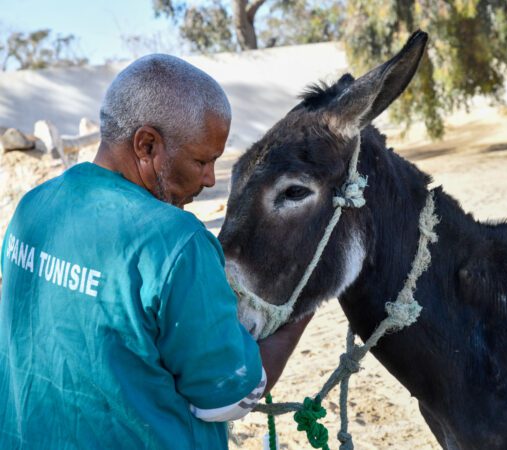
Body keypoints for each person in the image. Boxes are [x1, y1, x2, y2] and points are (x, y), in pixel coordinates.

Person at [0, 54, 311, 449]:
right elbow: (230, 396)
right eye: (202, 160)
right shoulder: (176, 242)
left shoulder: (34, 207)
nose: (210, 179)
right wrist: (301, 312)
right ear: (146, 145)